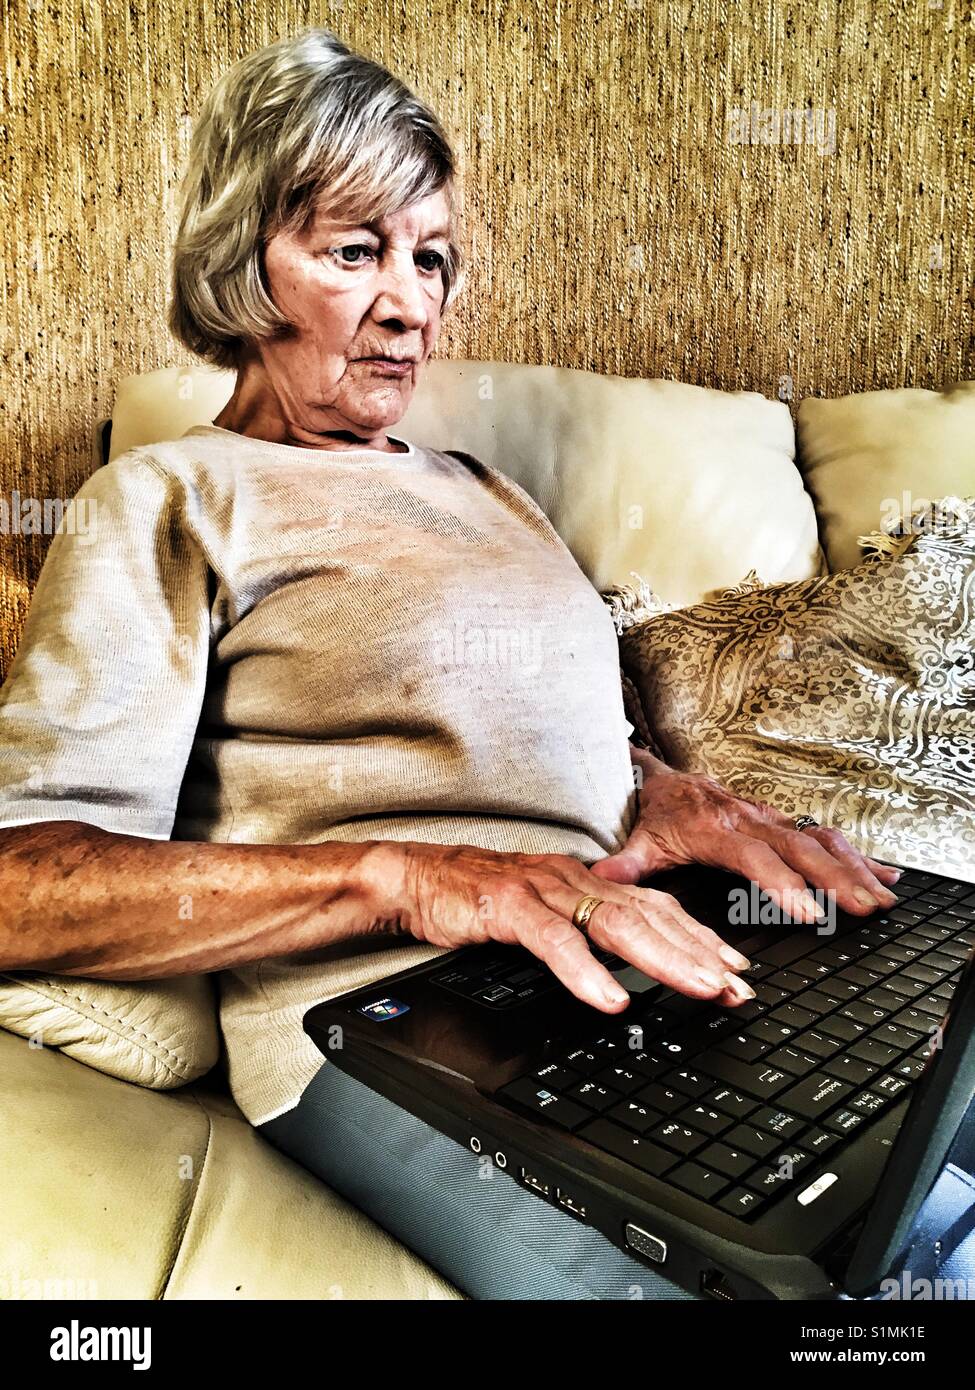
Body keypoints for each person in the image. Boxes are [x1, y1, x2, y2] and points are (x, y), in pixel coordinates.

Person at [0, 28, 900, 1299]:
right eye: (356, 251)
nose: (411, 303)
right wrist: (413, 877)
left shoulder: (489, 492)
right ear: (244, 267)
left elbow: (521, 714)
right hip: (400, 1019)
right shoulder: (168, 496)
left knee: (911, 1182)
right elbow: (22, 885)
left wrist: (660, 789)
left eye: (430, 259)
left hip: (618, 952)